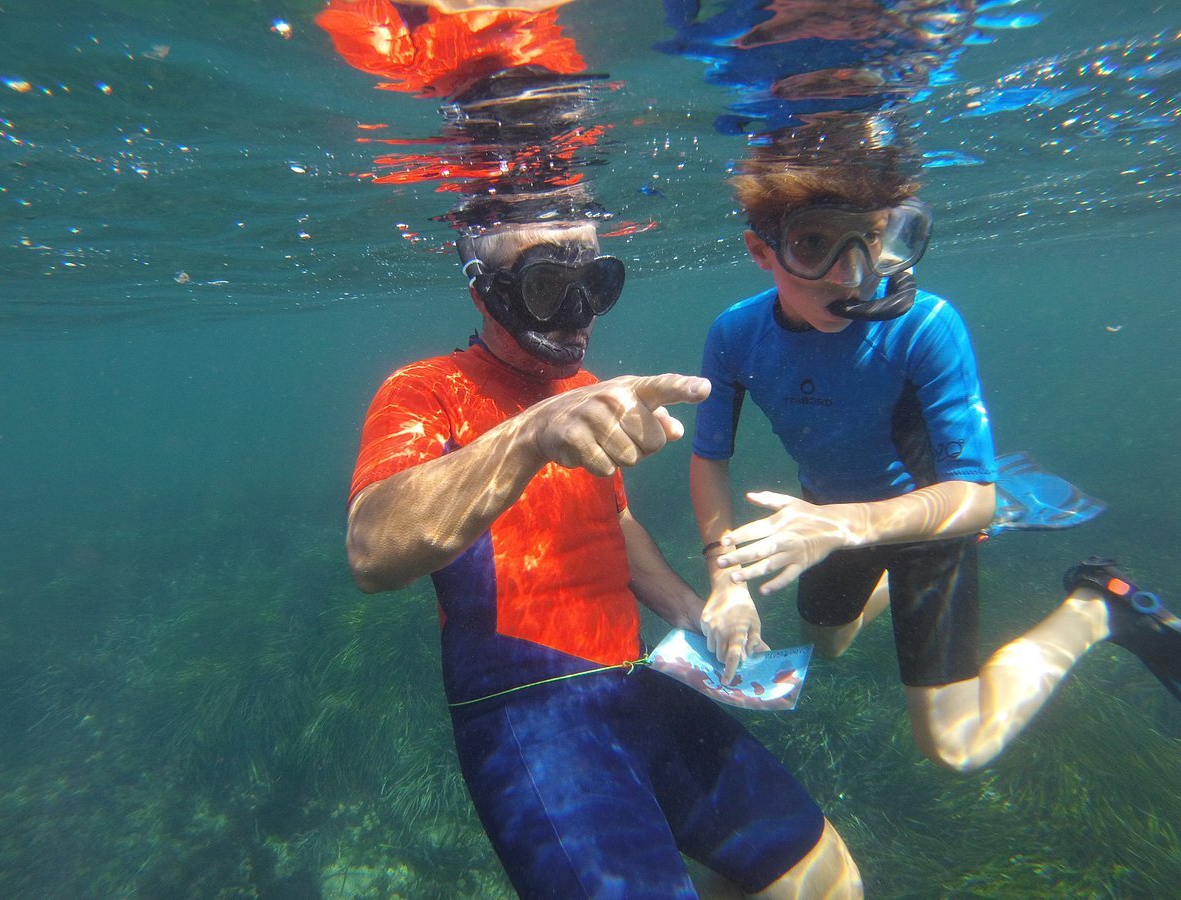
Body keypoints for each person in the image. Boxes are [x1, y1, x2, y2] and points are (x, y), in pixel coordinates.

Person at [346, 218, 863, 898]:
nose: (577, 311)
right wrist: (530, 435)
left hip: (636, 683)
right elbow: (372, 551)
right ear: (483, 293)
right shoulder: (425, 389)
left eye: (594, 284)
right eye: (545, 286)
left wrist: (695, 609)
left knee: (828, 882)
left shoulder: (586, 388)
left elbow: (610, 524)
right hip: (527, 717)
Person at [690, 147, 1181, 773]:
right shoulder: (733, 333)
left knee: (956, 747)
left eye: (869, 241)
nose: (850, 276)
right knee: (828, 643)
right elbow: (710, 460)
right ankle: (893, 571)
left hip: (931, 521)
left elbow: (974, 496)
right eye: (814, 245)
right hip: (824, 520)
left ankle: (1096, 608)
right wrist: (725, 582)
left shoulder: (926, 324)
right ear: (762, 252)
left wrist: (848, 526)